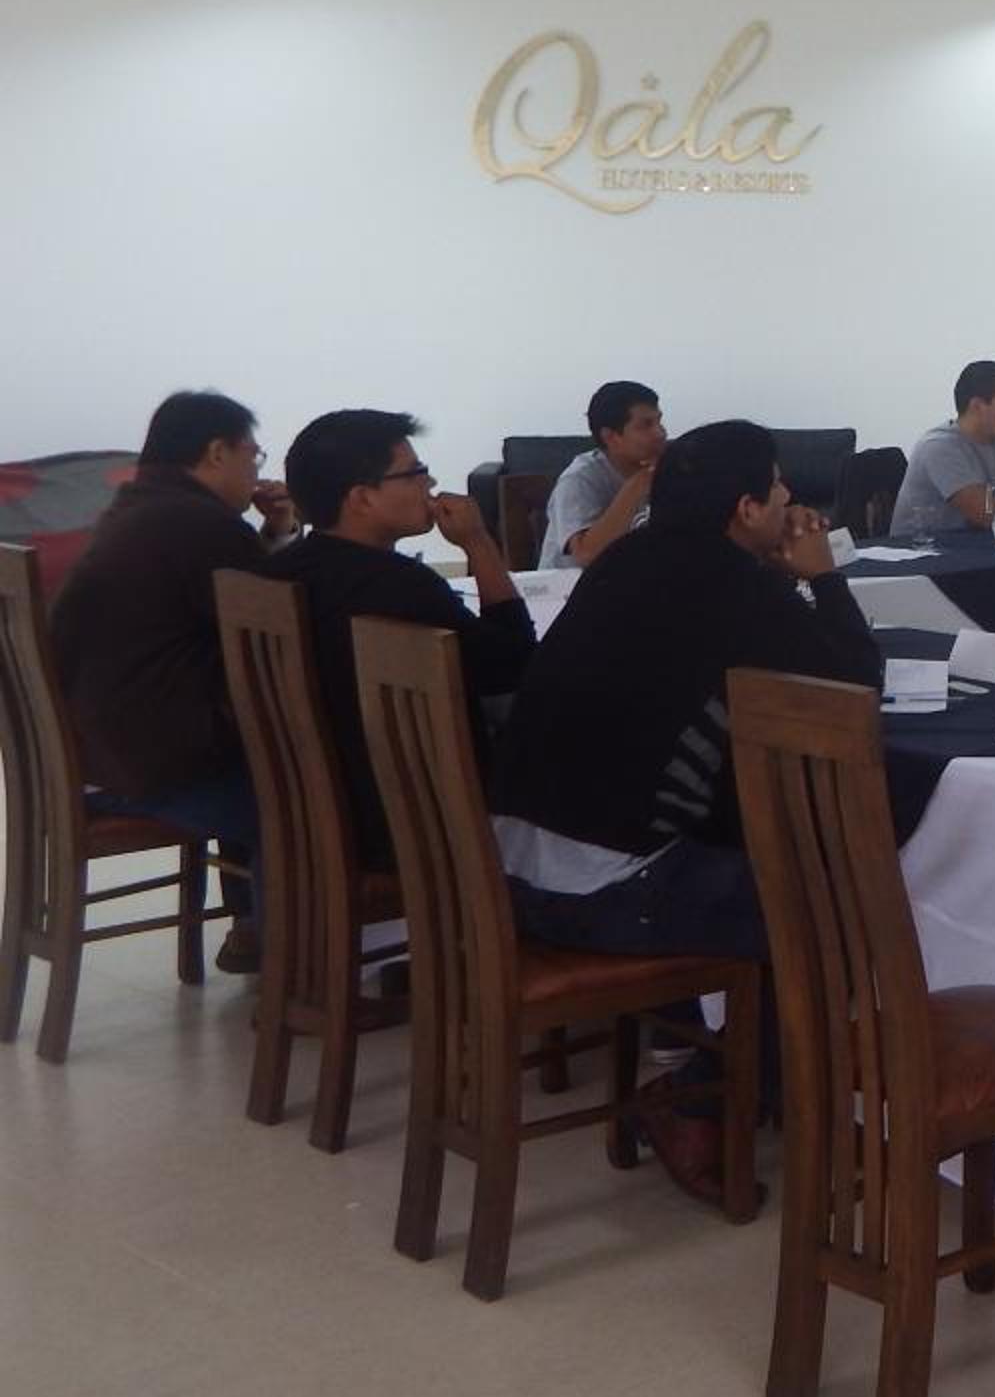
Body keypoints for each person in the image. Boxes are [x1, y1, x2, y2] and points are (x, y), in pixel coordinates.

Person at [490, 419, 883, 1206]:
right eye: (777, 488)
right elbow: (852, 690)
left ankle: (727, 1069)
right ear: (746, 508)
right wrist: (822, 577)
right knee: (832, 906)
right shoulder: (735, 585)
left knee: (744, 846)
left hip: (508, 866)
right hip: (598, 887)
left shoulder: (627, 559)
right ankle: (698, 1099)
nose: (789, 500)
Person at [49, 389, 298, 971]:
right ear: (217, 452)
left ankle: (253, 927)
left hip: (97, 751)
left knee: (255, 747)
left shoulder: (139, 508)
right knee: (302, 798)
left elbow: (243, 598)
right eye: (253, 456)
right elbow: (279, 629)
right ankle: (296, 974)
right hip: (140, 768)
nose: (256, 471)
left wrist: (275, 529)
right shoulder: (199, 524)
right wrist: (283, 534)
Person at [264, 410, 534, 869]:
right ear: (362, 498)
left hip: (317, 808)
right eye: (415, 472)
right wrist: (478, 542)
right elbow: (513, 666)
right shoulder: (401, 586)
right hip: (412, 818)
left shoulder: (281, 570)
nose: (431, 483)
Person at [893, 359, 995, 539]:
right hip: (924, 551)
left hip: (982, 547)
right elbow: (985, 515)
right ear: (977, 406)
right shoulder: (938, 447)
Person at [540, 379, 666, 569]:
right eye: (646, 425)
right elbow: (586, 555)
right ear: (610, 437)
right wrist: (638, 484)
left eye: (659, 421)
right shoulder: (578, 479)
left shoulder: (669, 468)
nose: (660, 433)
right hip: (571, 584)